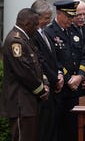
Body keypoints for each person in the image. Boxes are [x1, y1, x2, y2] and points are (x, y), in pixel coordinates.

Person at [0, 8, 49, 141]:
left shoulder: (25, 39)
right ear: (26, 24)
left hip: (28, 102)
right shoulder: (16, 41)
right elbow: (24, 73)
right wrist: (41, 90)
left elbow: (37, 65)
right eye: (35, 25)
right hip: (21, 103)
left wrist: (45, 82)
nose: (37, 28)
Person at [45, 0, 85, 141]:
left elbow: (84, 55)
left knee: (74, 129)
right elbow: (53, 60)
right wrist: (69, 78)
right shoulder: (50, 32)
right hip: (61, 89)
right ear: (59, 14)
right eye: (69, 17)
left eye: (72, 17)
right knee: (58, 130)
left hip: (76, 89)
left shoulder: (75, 31)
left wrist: (80, 76)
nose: (72, 20)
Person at [31, 0, 64, 141]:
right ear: (37, 18)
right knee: (43, 130)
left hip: (53, 85)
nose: (49, 20)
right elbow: (41, 61)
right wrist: (55, 79)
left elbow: (53, 57)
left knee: (51, 128)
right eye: (46, 18)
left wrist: (59, 73)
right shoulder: (33, 35)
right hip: (45, 87)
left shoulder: (44, 33)